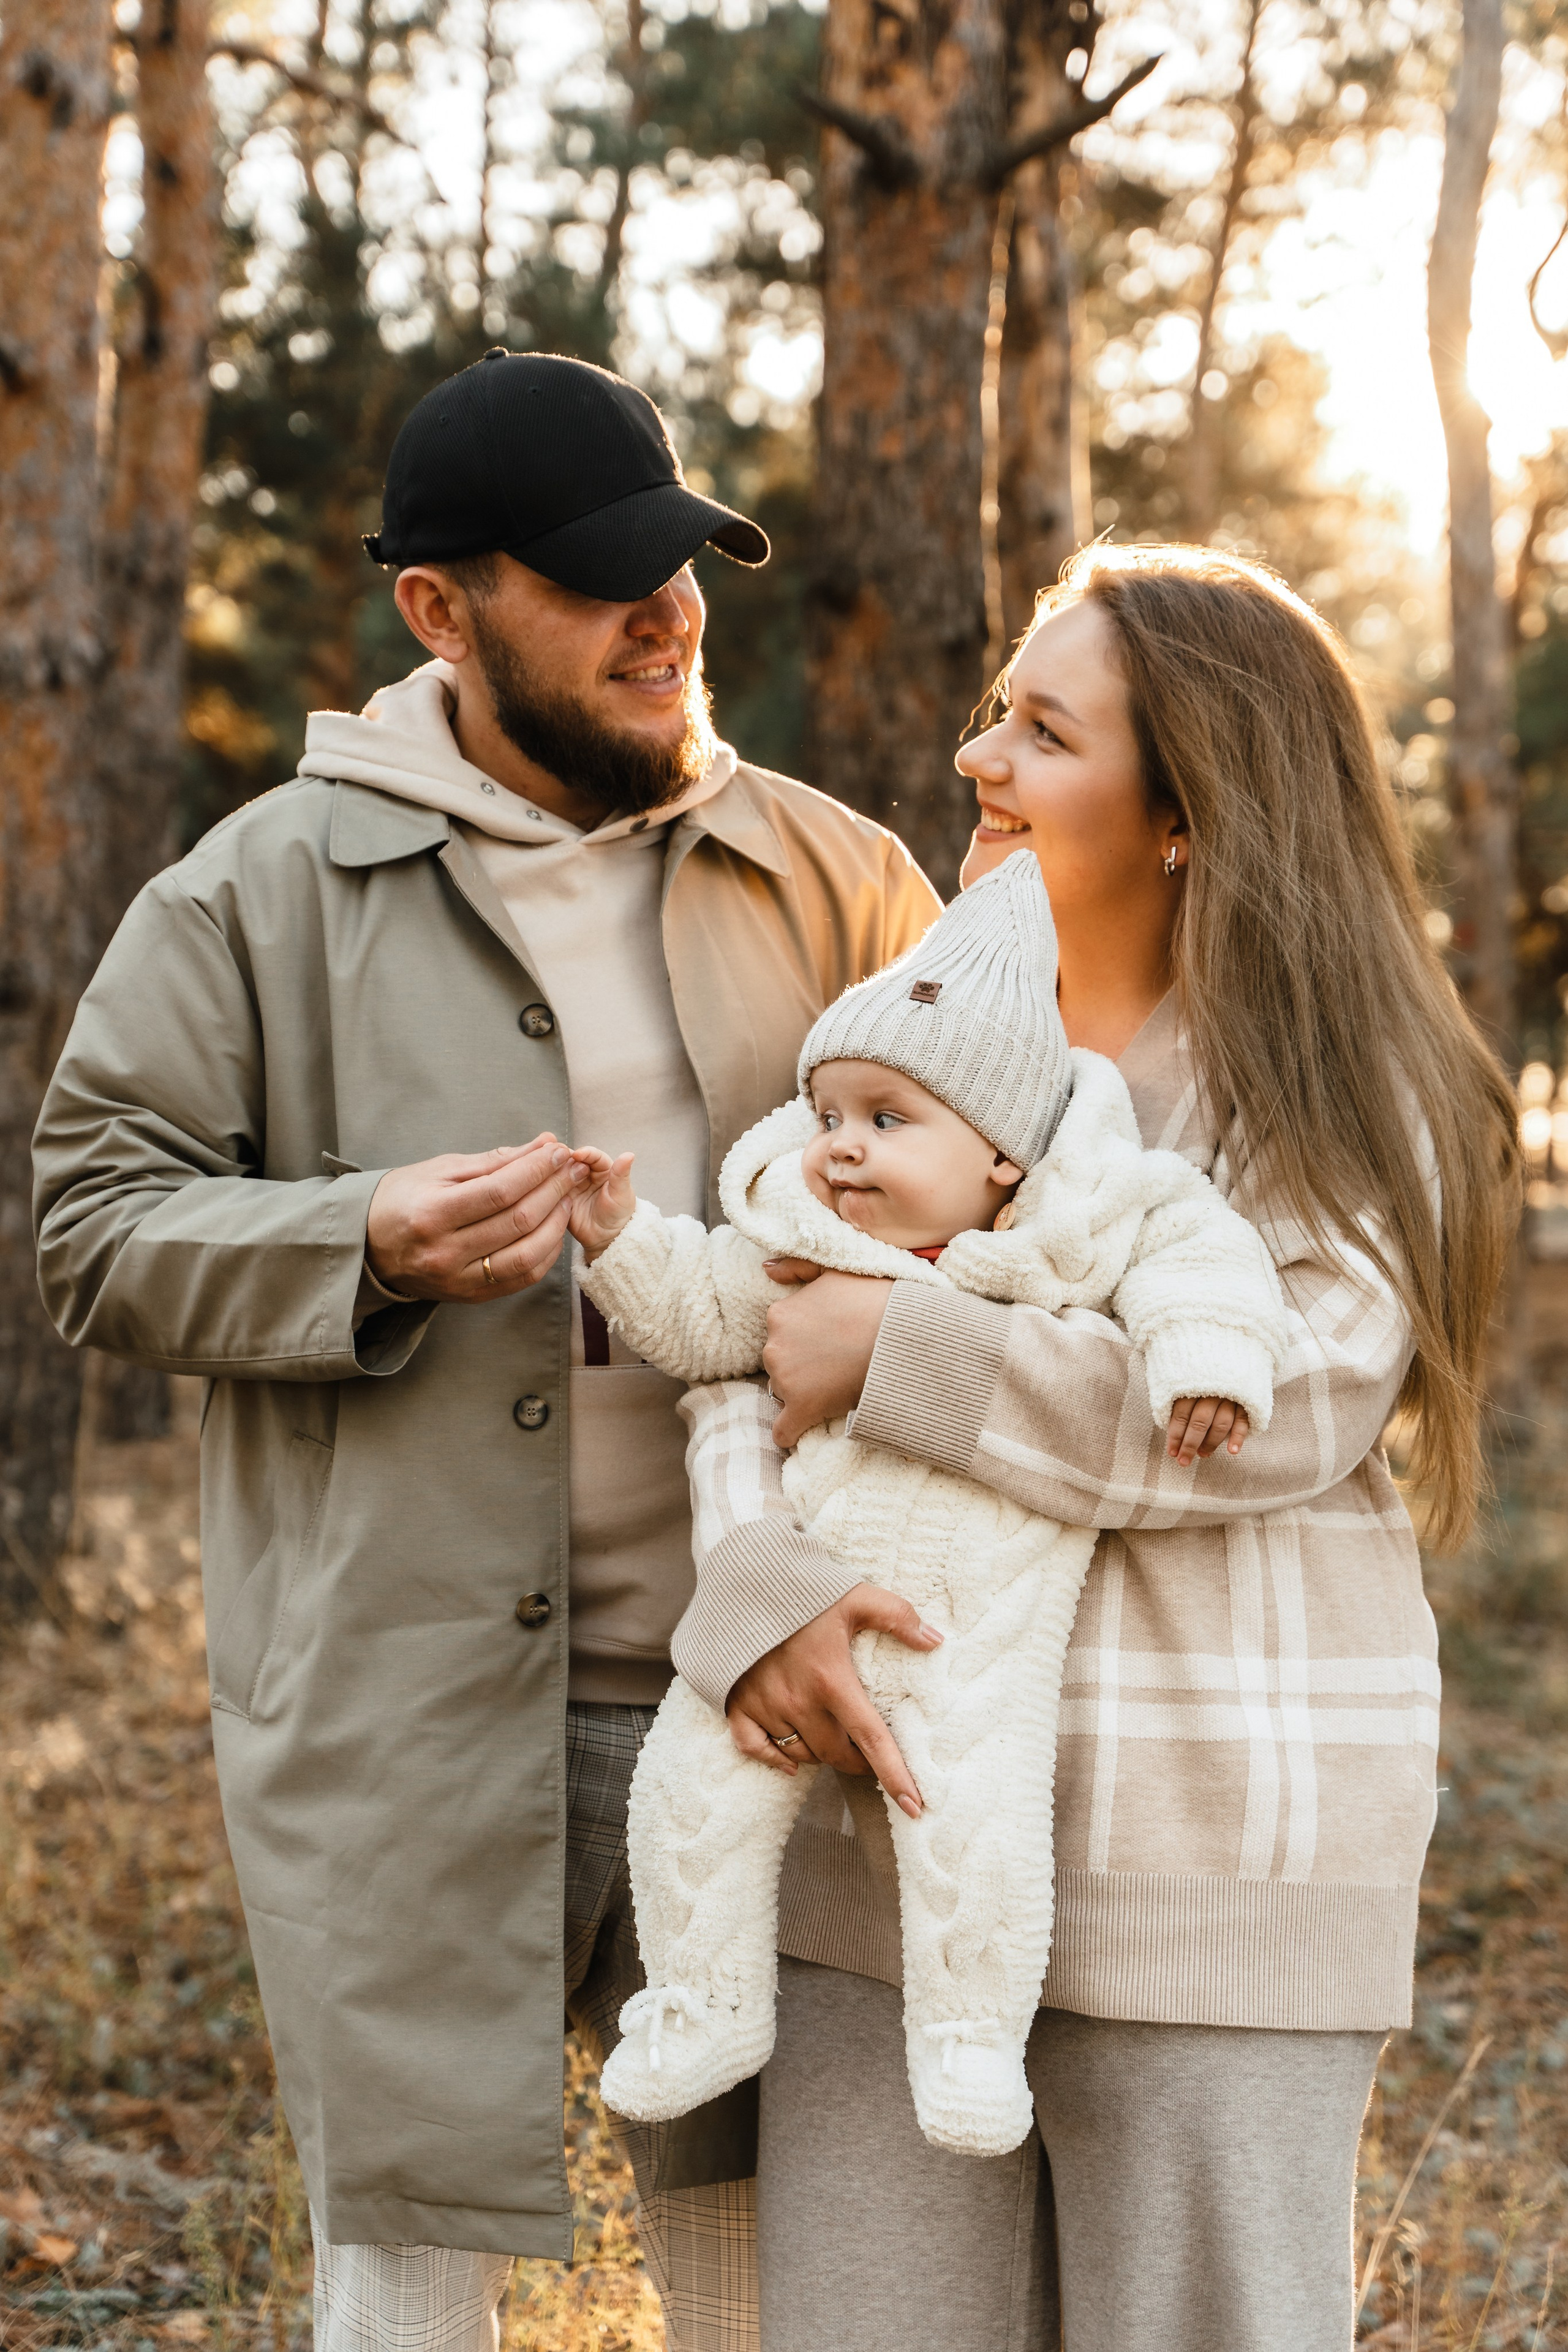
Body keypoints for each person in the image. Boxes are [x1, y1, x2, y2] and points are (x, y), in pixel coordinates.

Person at [31, 349, 940, 2352]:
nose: (668, 613)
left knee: (777, 2288)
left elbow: (995, 1215)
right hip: (405, 1722)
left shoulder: (845, 877)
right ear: (439, 609)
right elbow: (89, 1227)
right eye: (601, 579)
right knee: (406, 2300)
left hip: (773, 1706)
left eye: (680, 563)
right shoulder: (252, 894)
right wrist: (353, 1241)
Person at [664, 545, 1520, 2351]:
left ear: (1192, 806)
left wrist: (906, 1350)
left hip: (1208, 1872)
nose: (977, 756)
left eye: (1044, 732)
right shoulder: (915, 1049)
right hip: (883, 1848)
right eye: (1001, 713)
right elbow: (753, 1330)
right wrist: (756, 1581)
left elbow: (1271, 1412)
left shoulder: (1338, 1080)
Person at [565, 846, 1286, 2159]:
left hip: (977, 1620)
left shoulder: (1079, 1234)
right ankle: (701, 2003)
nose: (841, 1146)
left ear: (1002, 1157)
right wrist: (622, 1241)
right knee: (689, 1786)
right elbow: (700, 1322)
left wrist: (1205, 1359)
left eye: (889, 1120)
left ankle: (968, 2040)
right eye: (827, 1113)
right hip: (800, 1597)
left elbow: (1203, 1258)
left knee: (971, 1825)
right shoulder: (798, 1249)